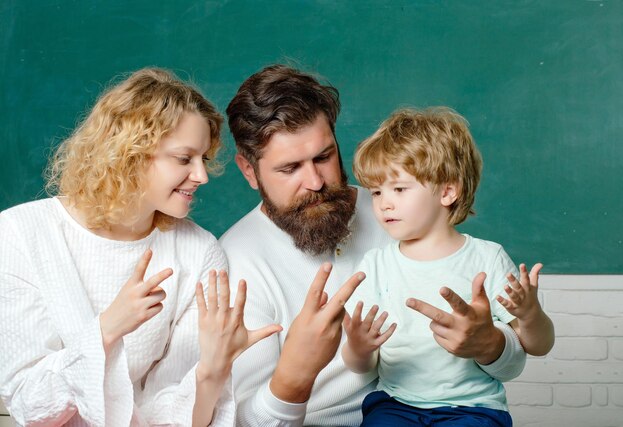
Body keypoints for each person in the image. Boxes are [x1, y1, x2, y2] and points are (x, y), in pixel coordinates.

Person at [220, 64, 529, 426]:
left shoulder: (396, 213)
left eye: (324, 157)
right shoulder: (236, 259)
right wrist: (295, 374)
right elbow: (244, 420)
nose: (316, 182)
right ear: (248, 170)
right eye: (289, 169)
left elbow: (510, 362)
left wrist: (490, 345)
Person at [0, 68, 280, 427]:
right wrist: (107, 329)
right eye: (184, 159)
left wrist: (212, 370)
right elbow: (28, 402)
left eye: (204, 159)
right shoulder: (18, 235)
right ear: (128, 153)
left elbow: (171, 414)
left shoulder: (198, 251)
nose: (202, 175)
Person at [342, 107, 555, 426]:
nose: (384, 203)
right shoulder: (375, 264)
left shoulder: (487, 258)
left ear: (447, 191)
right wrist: (358, 348)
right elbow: (362, 366)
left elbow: (538, 347)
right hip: (396, 405)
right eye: (376, 192)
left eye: (399, 189)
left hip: (474, 409)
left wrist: (529, 314)